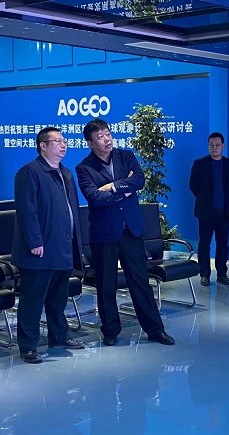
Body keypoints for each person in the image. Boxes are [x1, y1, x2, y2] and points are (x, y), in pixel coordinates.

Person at [75, 118, 174, 347]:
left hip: (131, 230)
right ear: (90, 142)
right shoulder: (84, 168)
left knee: (140, 282)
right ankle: (110, 330)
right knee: (106, 285)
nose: (106, 139)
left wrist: (112, 187)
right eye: (100, 136)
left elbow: (139, 181)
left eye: (108, 133)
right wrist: (125, 189)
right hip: (104, 234)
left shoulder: (126, 156)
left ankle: (155, 329)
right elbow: (95, 198)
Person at [12, 127, 86, 364]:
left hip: (63, 246)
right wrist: (35, 241)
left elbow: (71, 211)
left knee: (58, 297)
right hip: (40, 249)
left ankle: (59, 337)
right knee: (33, 299)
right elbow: (27, 210)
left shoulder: (65, 173)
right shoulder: (30, 172)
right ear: (43, 146)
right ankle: (28, 346)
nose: (63, 145)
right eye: (57, 141)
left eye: (64, 141)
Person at [189, 132, 229, 286]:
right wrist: (204, 199)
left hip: (224, 211)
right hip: (206, 211)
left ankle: (222, 273)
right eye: (211, 145)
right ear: (208, 146)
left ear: (223, 146)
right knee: (204, 243)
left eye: (217, 145)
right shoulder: (200, 163)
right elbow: (193, 185)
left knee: (223, 244)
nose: (214, 148)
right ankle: (205, 274)